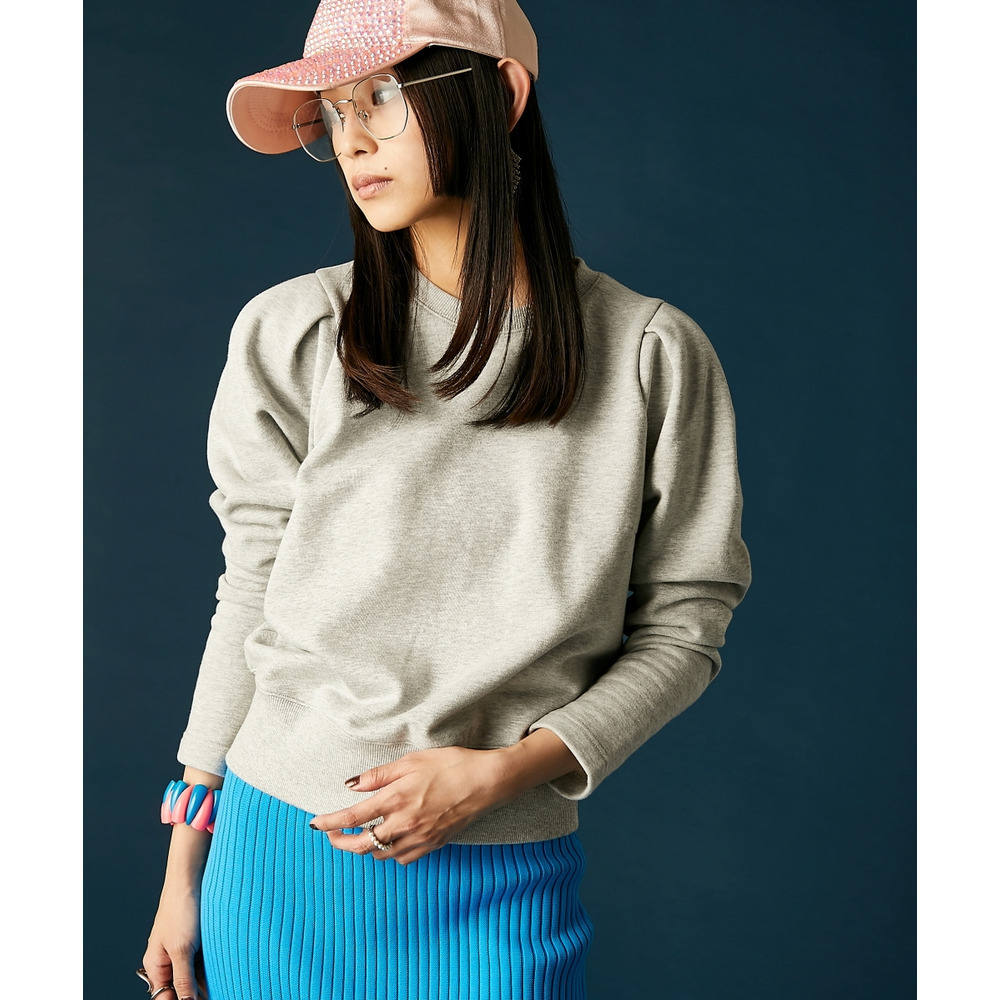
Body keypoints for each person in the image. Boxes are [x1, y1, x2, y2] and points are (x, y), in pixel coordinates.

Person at [140, 1, 751, 997]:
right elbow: (250, 588)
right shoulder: (295, 331)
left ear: (499, 95)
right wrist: (184, 871)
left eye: (382, 95)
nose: (353, 140)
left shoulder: (652, 355)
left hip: (505, 873)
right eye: (335, 112)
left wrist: (505, 772)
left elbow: (686, 626)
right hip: (280, 855)